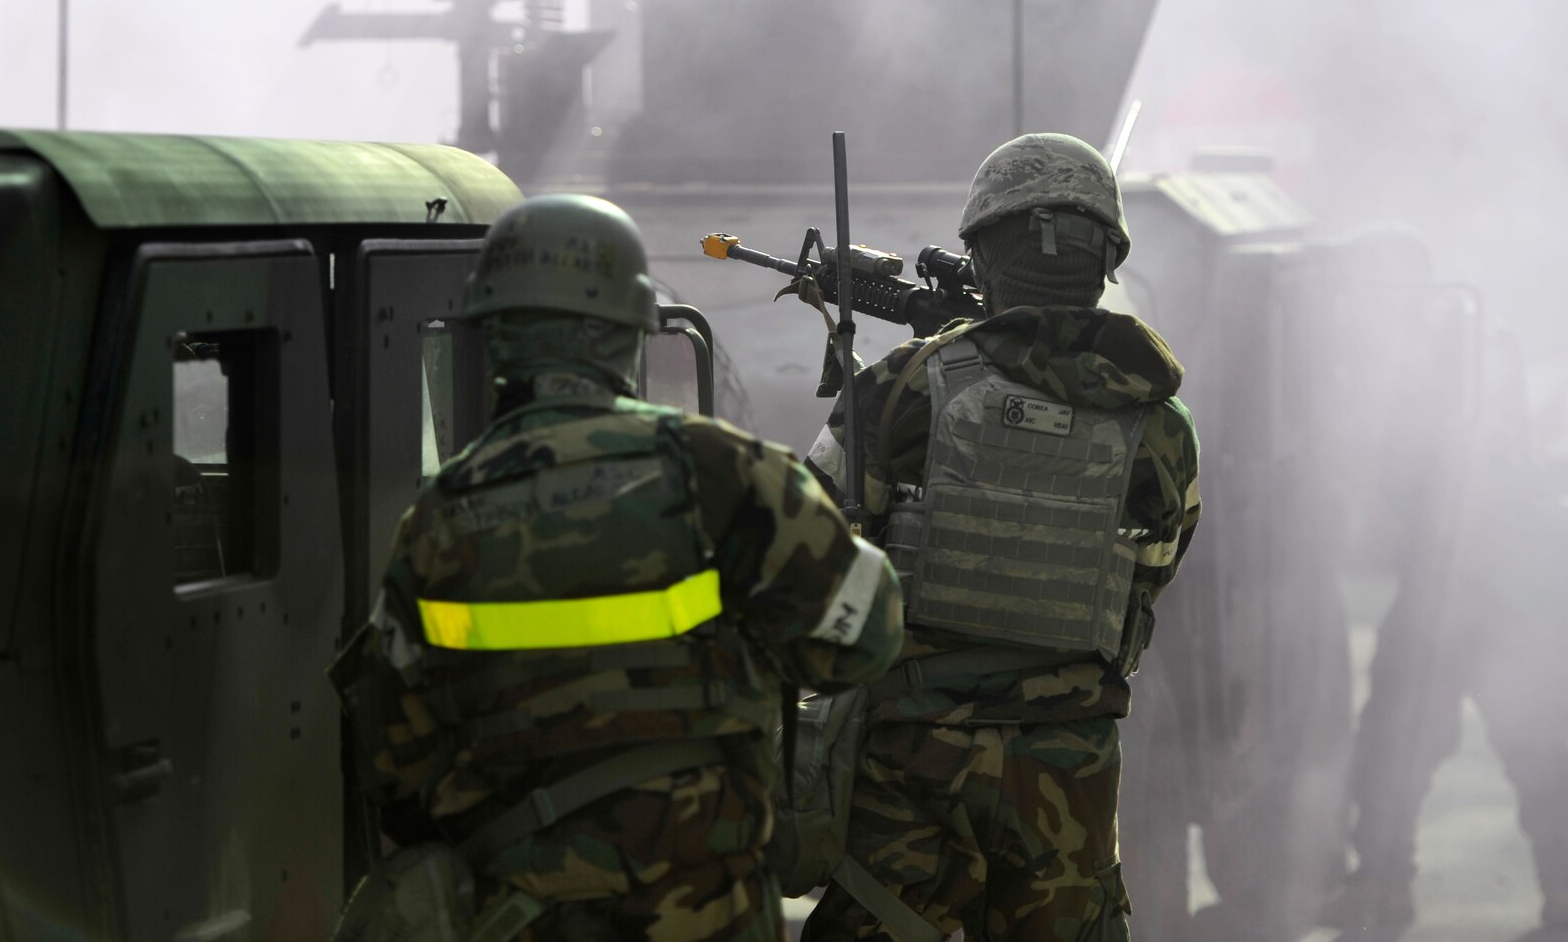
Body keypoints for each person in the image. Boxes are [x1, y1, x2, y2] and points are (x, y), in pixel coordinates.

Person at [331, 194, 904, 942]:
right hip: (706, 906)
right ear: (630, 332)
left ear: (495, 336)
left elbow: (389, 766)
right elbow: (865, 638)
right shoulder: (721, 469)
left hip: (524, 914)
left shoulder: (439, 517)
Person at [802, 133, 1202, 942]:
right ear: (1107, 262)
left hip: (913, 773)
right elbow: (1150, 574)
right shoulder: (1162, 425)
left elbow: (814, 546)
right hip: (1071, 778)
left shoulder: (907, 385)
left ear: (982, 254)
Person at [1316, 232, 1568, 941]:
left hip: (1462, 581)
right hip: (1509, 579)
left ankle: (1386, 889)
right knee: (1527, 744)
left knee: (1399, 742)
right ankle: (1557, 896)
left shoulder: (1425, 354)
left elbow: (1412, 466)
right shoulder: (1479, 333)